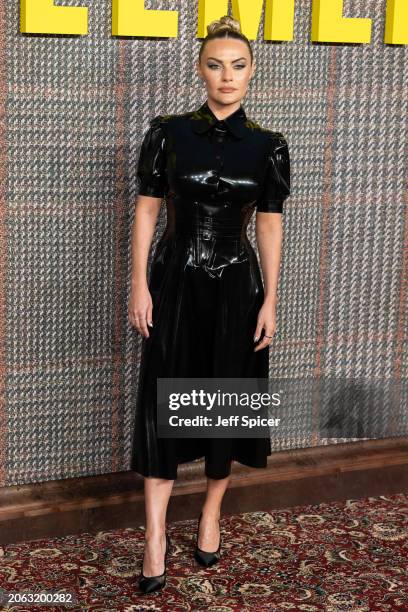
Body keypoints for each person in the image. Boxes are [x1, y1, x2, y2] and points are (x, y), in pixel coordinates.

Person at [128, 14, 290, 594]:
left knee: (227, 398)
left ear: (251, 71)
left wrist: (271, 297)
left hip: (237, 286)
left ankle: (212, 513)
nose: (227, 76)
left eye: (239, 66)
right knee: (161, 401)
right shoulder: (168, 133)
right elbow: (148, 211)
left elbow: (268, 226)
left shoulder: (269, 146)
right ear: (200, 69)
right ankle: (153, 536)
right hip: (174, 280)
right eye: (216, 65)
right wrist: (138, 284)